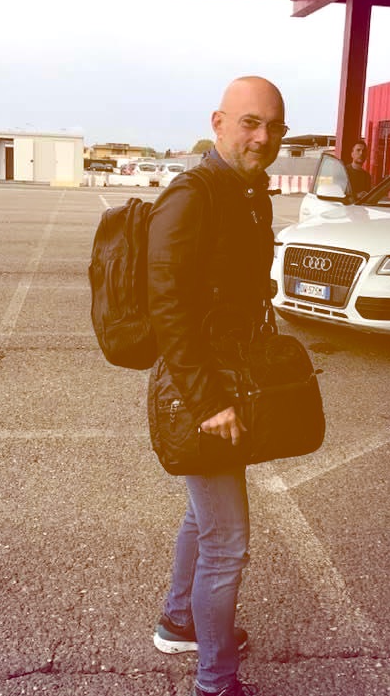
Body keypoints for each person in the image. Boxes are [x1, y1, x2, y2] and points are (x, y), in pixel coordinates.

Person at [146, 76, 287, 696]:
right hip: (200, 391)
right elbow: (166, 307)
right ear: (219, 122)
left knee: (202, 517)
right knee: (227, 543)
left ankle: (181, 620)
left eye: (274, 126)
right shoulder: (194, 194)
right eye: (250, 122)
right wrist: (208, 402)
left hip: (230, 379)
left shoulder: (249, 192)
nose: (262, 137)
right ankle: (215, 681)